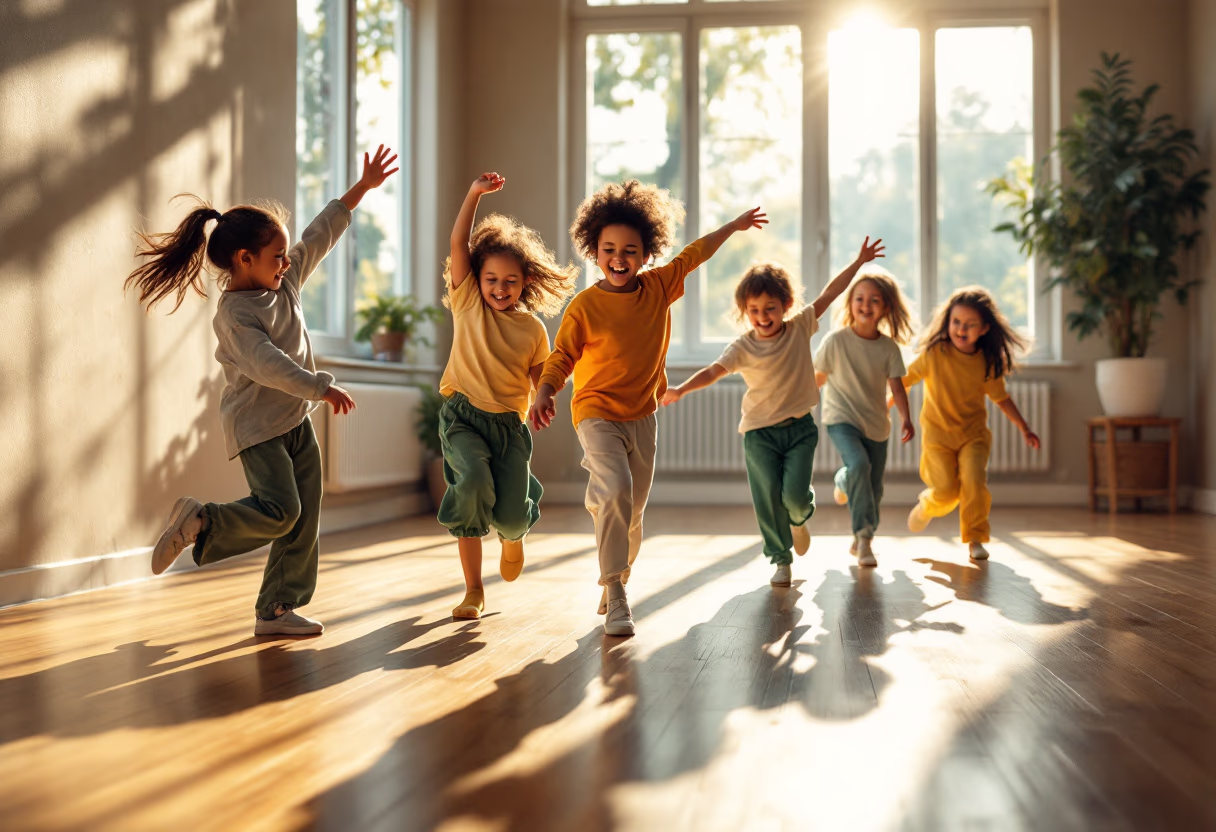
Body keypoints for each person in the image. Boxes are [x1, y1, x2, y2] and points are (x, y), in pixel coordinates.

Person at [128, 145, 399, 636]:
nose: (284, 263)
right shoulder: (235, 315)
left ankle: (275, 609)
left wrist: (361, 189)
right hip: (258, 427)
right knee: (281, 511)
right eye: (276, 256)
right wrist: (319, 386)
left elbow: (321, 233)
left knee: (305, 517)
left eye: (284, 256)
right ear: (243, 259)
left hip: (294, 421)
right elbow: (267, 365)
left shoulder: (284, 281)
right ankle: (202, 522)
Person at [530, 179, 766, 636]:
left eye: (630, 250)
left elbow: (695, 254)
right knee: (617, 489)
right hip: (595, 411)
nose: (619, 258)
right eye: (609, 248)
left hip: (642, 413)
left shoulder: (658, 287)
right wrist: (545, 390)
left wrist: (733, 227)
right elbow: (562, 357)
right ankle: (616, 591)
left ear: (645, 254)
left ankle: (615, 559)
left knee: (631, 510)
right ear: (594, 250)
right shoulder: (584, 306)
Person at [661, 238, 885, 588]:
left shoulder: (799, 328)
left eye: (770, 308)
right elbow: (712, 371)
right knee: (767, 498)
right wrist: (680, 389)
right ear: (745, 311)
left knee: (794, 498)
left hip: (799, 430)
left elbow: (829, 294)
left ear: (786, 306)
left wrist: (858, 262)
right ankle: (781, 560)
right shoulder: (742, 347)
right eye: (754, 310)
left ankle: (799, 518)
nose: (762, 317)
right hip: (759, 434)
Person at [438, 172, 578, 620]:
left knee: (512, 516)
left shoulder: (533, 329)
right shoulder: (467, 303)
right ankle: (474, 590)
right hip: (463, 417)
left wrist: (543, 397)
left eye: (510, 282)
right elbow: (460, 242)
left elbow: (542, 376)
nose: (500, 289)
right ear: (476, 279)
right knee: (472, 487)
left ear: (525, 283)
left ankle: (515, 535)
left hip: (509, 428)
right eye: (492, 279)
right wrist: (473, 194)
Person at [903, 287, 1040, 560]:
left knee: (974, 482)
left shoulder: (986, 363)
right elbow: (903, 381)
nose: (961, 329)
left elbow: (1002, 399)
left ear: (985, 329)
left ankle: (975, 538)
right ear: (947, 322)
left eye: (969, 324)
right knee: (945, 493)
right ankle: (926, 506)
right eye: (956, 322)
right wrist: (886, 405)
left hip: (973, 436)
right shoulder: (935, 354)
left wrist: (1025, 427)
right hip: (938, 436)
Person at [814, 266, 915, 567]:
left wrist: (907, 419)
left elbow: (897, 388)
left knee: (874, 487)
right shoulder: (835, 341)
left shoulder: (888, 348)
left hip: (876, 425)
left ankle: (844, 481)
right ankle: (864, 539)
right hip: (840, 419)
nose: (866, 305)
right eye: (860, 298)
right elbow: (816, 380)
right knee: (859, 464)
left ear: (885, 307)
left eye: (874, 300)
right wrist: (794, 408)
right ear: (850, 304)